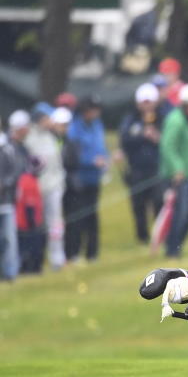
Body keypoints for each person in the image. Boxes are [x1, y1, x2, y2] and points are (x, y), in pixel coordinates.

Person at [159, 83, 188, 258]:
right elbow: (167, 146)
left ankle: (177, 244)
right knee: (181, 212)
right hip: (180, 176)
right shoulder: (175, 120)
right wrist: (177, 168)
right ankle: (172, 248)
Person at [63, 96, 108, 264]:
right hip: (79, 180)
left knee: (92, 216)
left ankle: (92, 253)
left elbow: (101, 147)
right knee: (77, 217)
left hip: (94, 178)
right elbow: (74, 156)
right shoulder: (74, 128)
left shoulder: (97, 125)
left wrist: (104, 159)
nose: (95, 113)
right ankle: (72, 253)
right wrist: (92, 161)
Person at [119, 83, 164, 244]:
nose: (146, 106)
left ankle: (159, 234)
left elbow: (169, 142)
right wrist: (142, 136)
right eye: (143, 102)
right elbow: (124, 140)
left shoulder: (163, 117)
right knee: (138, 204)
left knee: (159, 201)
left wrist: (157, 138)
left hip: (157, 168)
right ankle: (142, 237)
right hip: (136, 169)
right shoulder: (131, 119)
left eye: (149, 101)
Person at [25, 103, 65, 270]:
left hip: (54, 187)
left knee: (55, 224)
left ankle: (57, 259)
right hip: (36, 190)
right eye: (48, 117)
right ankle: (35, 261)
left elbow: (57, 162)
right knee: (36, 226)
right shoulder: (29, 138)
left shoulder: (51, 136)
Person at [0, 115, 24, 280]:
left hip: (6, 201)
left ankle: (10, 272)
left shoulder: (7, 146)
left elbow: (15, 171)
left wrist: (4, 184)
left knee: (8, 238)